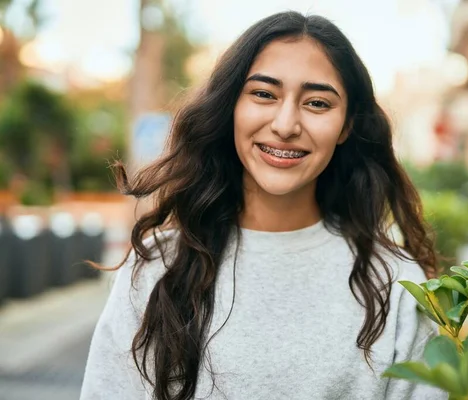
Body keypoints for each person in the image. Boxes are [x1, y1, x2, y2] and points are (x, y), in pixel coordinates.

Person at [80, 11, 445, 400]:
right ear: (231, 107)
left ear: (347, 126)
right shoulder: (155, 269)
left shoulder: (396, 285)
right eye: (264, 94)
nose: (286, 124)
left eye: (318, 103)